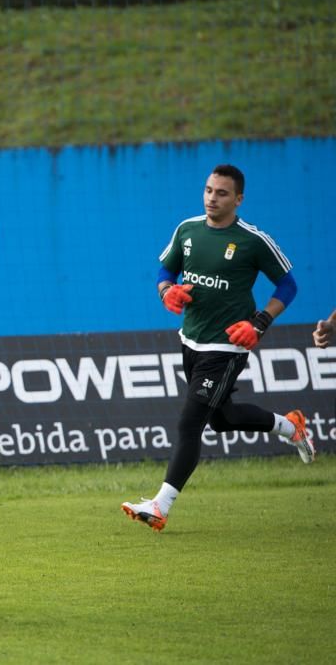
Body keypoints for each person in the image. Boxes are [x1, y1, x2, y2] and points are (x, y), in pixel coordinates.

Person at [122, 164, 315, 532]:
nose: (213, 197)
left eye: (222, 193)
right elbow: (165, 272)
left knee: (189, 422)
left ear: (238, 199)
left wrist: (260, 322)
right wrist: (168, 292)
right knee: (221, 419)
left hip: (227, 347)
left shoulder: (253, 241)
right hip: (190, 340)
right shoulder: (187, 229)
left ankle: (160, 505)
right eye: (209, 190)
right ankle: (291, 427)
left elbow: (288, 286)